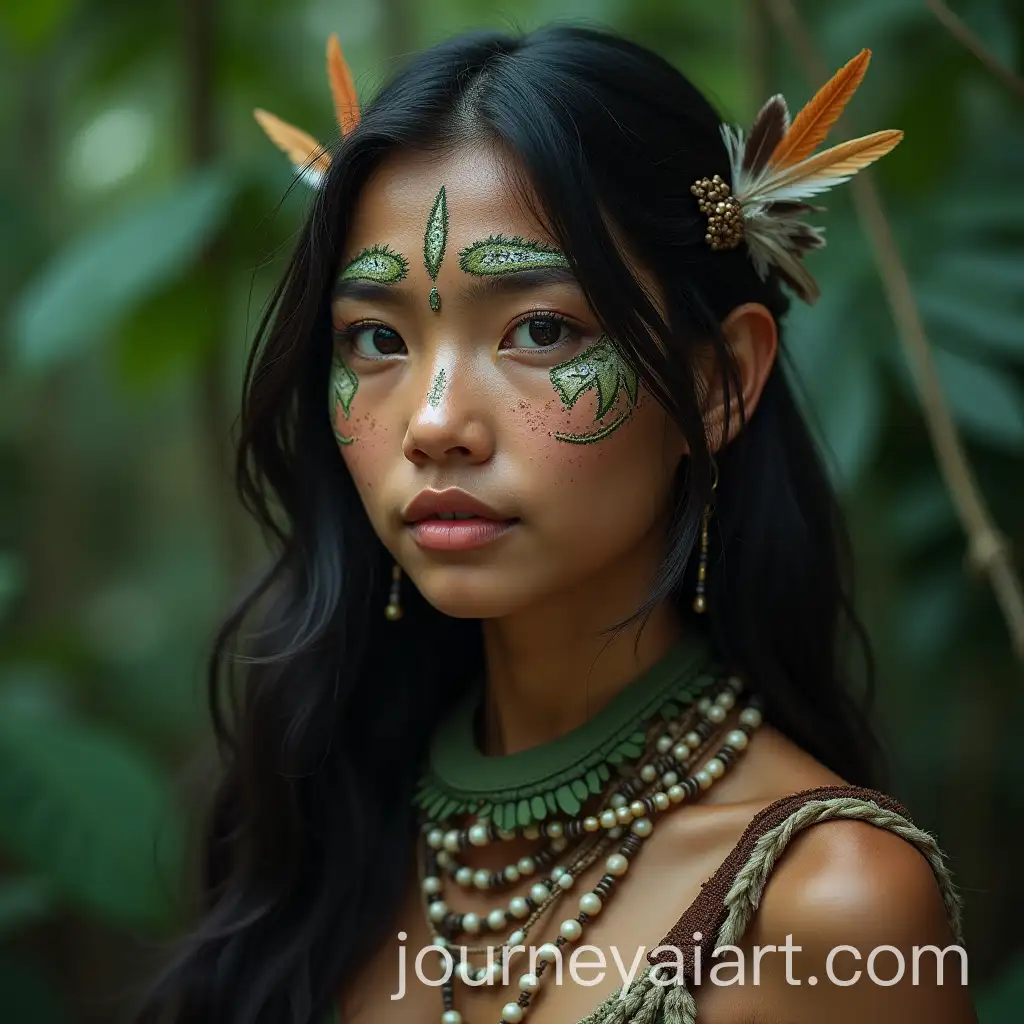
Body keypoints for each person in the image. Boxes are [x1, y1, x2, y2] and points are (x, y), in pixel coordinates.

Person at [132, 24, 976, 1024]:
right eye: (376, 338)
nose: (436, 422)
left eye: (540, 330)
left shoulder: (828, 906)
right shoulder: (315, 833)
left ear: (716, 384)